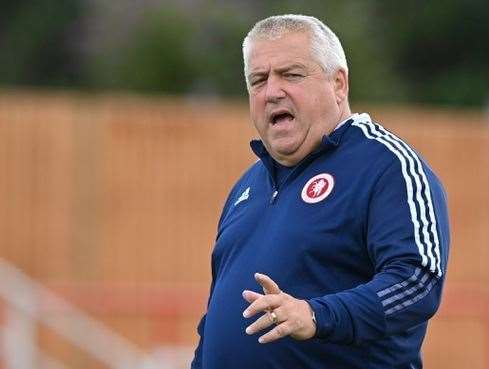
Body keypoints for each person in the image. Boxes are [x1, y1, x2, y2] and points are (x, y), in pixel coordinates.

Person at [191, 14, 449, 369]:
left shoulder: (387, 166)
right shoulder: (246, 187)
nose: (272, 92)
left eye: (291, 74)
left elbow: (417, 283)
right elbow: (218, 320)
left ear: (338, 84)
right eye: (258, 80)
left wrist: (315, 315)